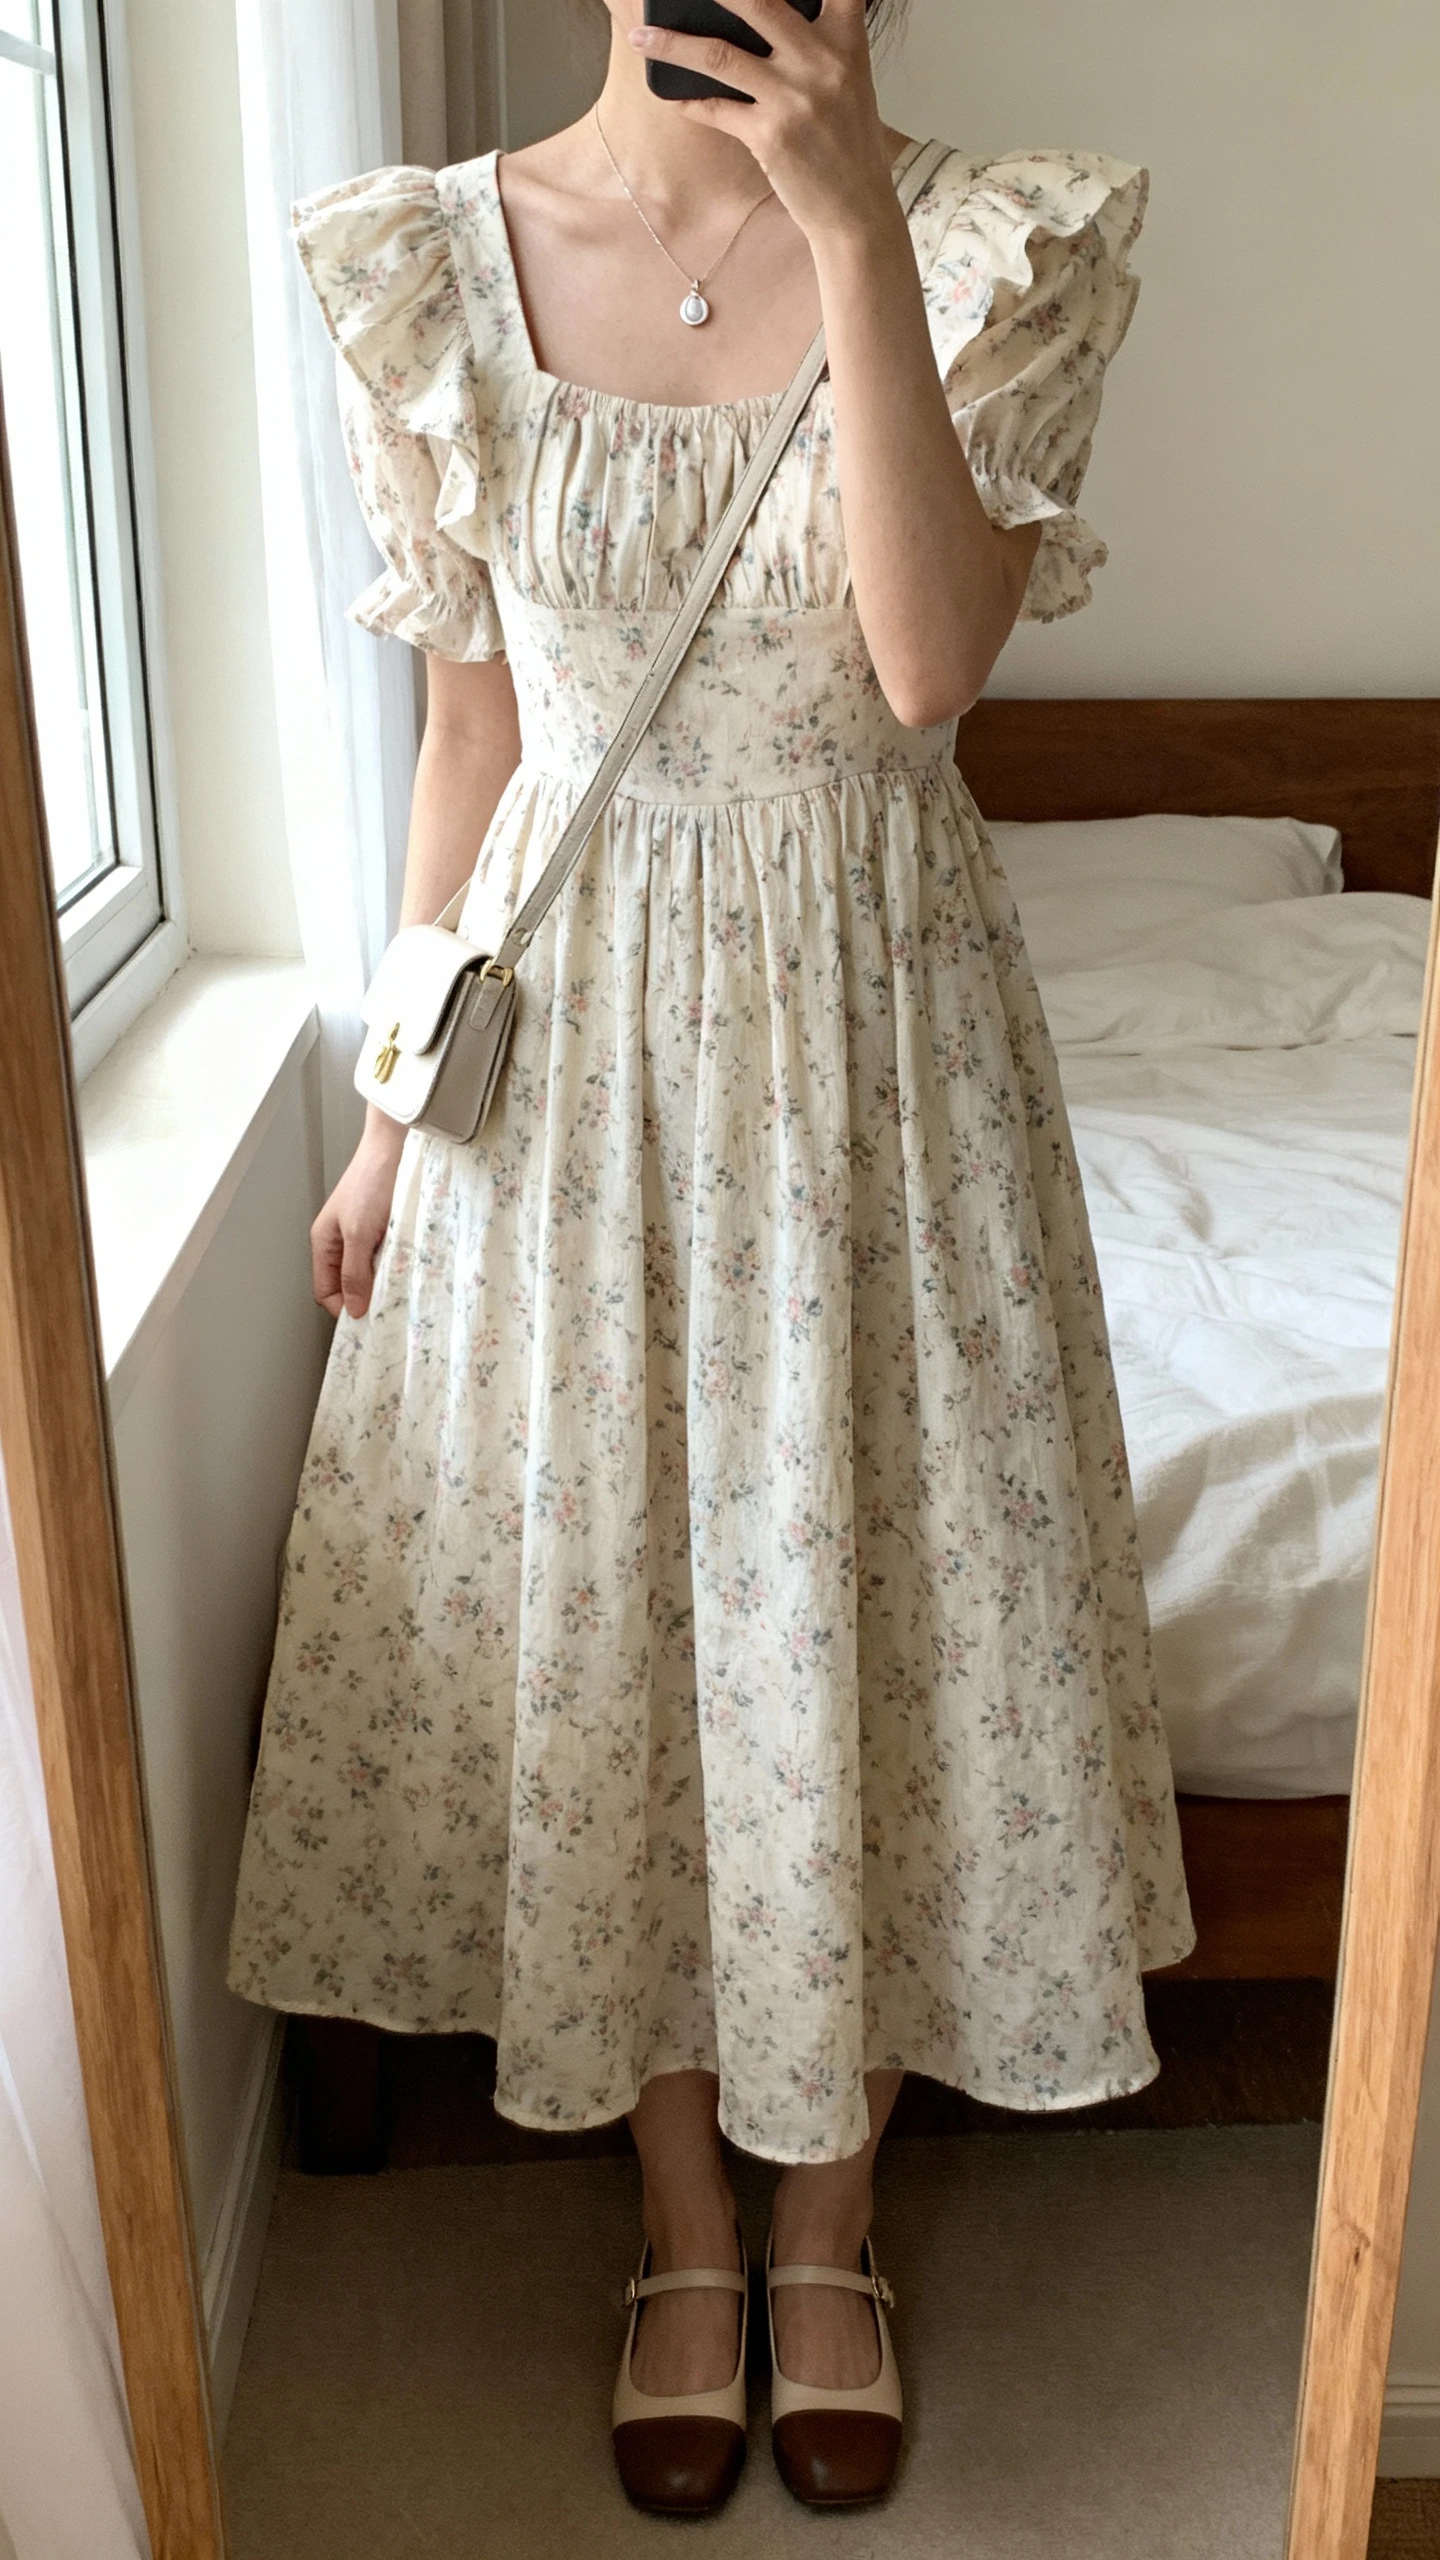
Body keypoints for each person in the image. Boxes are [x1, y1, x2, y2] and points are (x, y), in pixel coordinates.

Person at [228, 0, 1194, 2515]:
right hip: (569, 1063)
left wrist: (856, 223)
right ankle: (681, 2226)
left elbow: (925, 665)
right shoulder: (427, 267)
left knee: (860, 1613)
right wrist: (384, 1123)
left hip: (876, 1050)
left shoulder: (998, 244)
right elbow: (470, 740)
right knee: (628, 1622)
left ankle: (836, 2217)